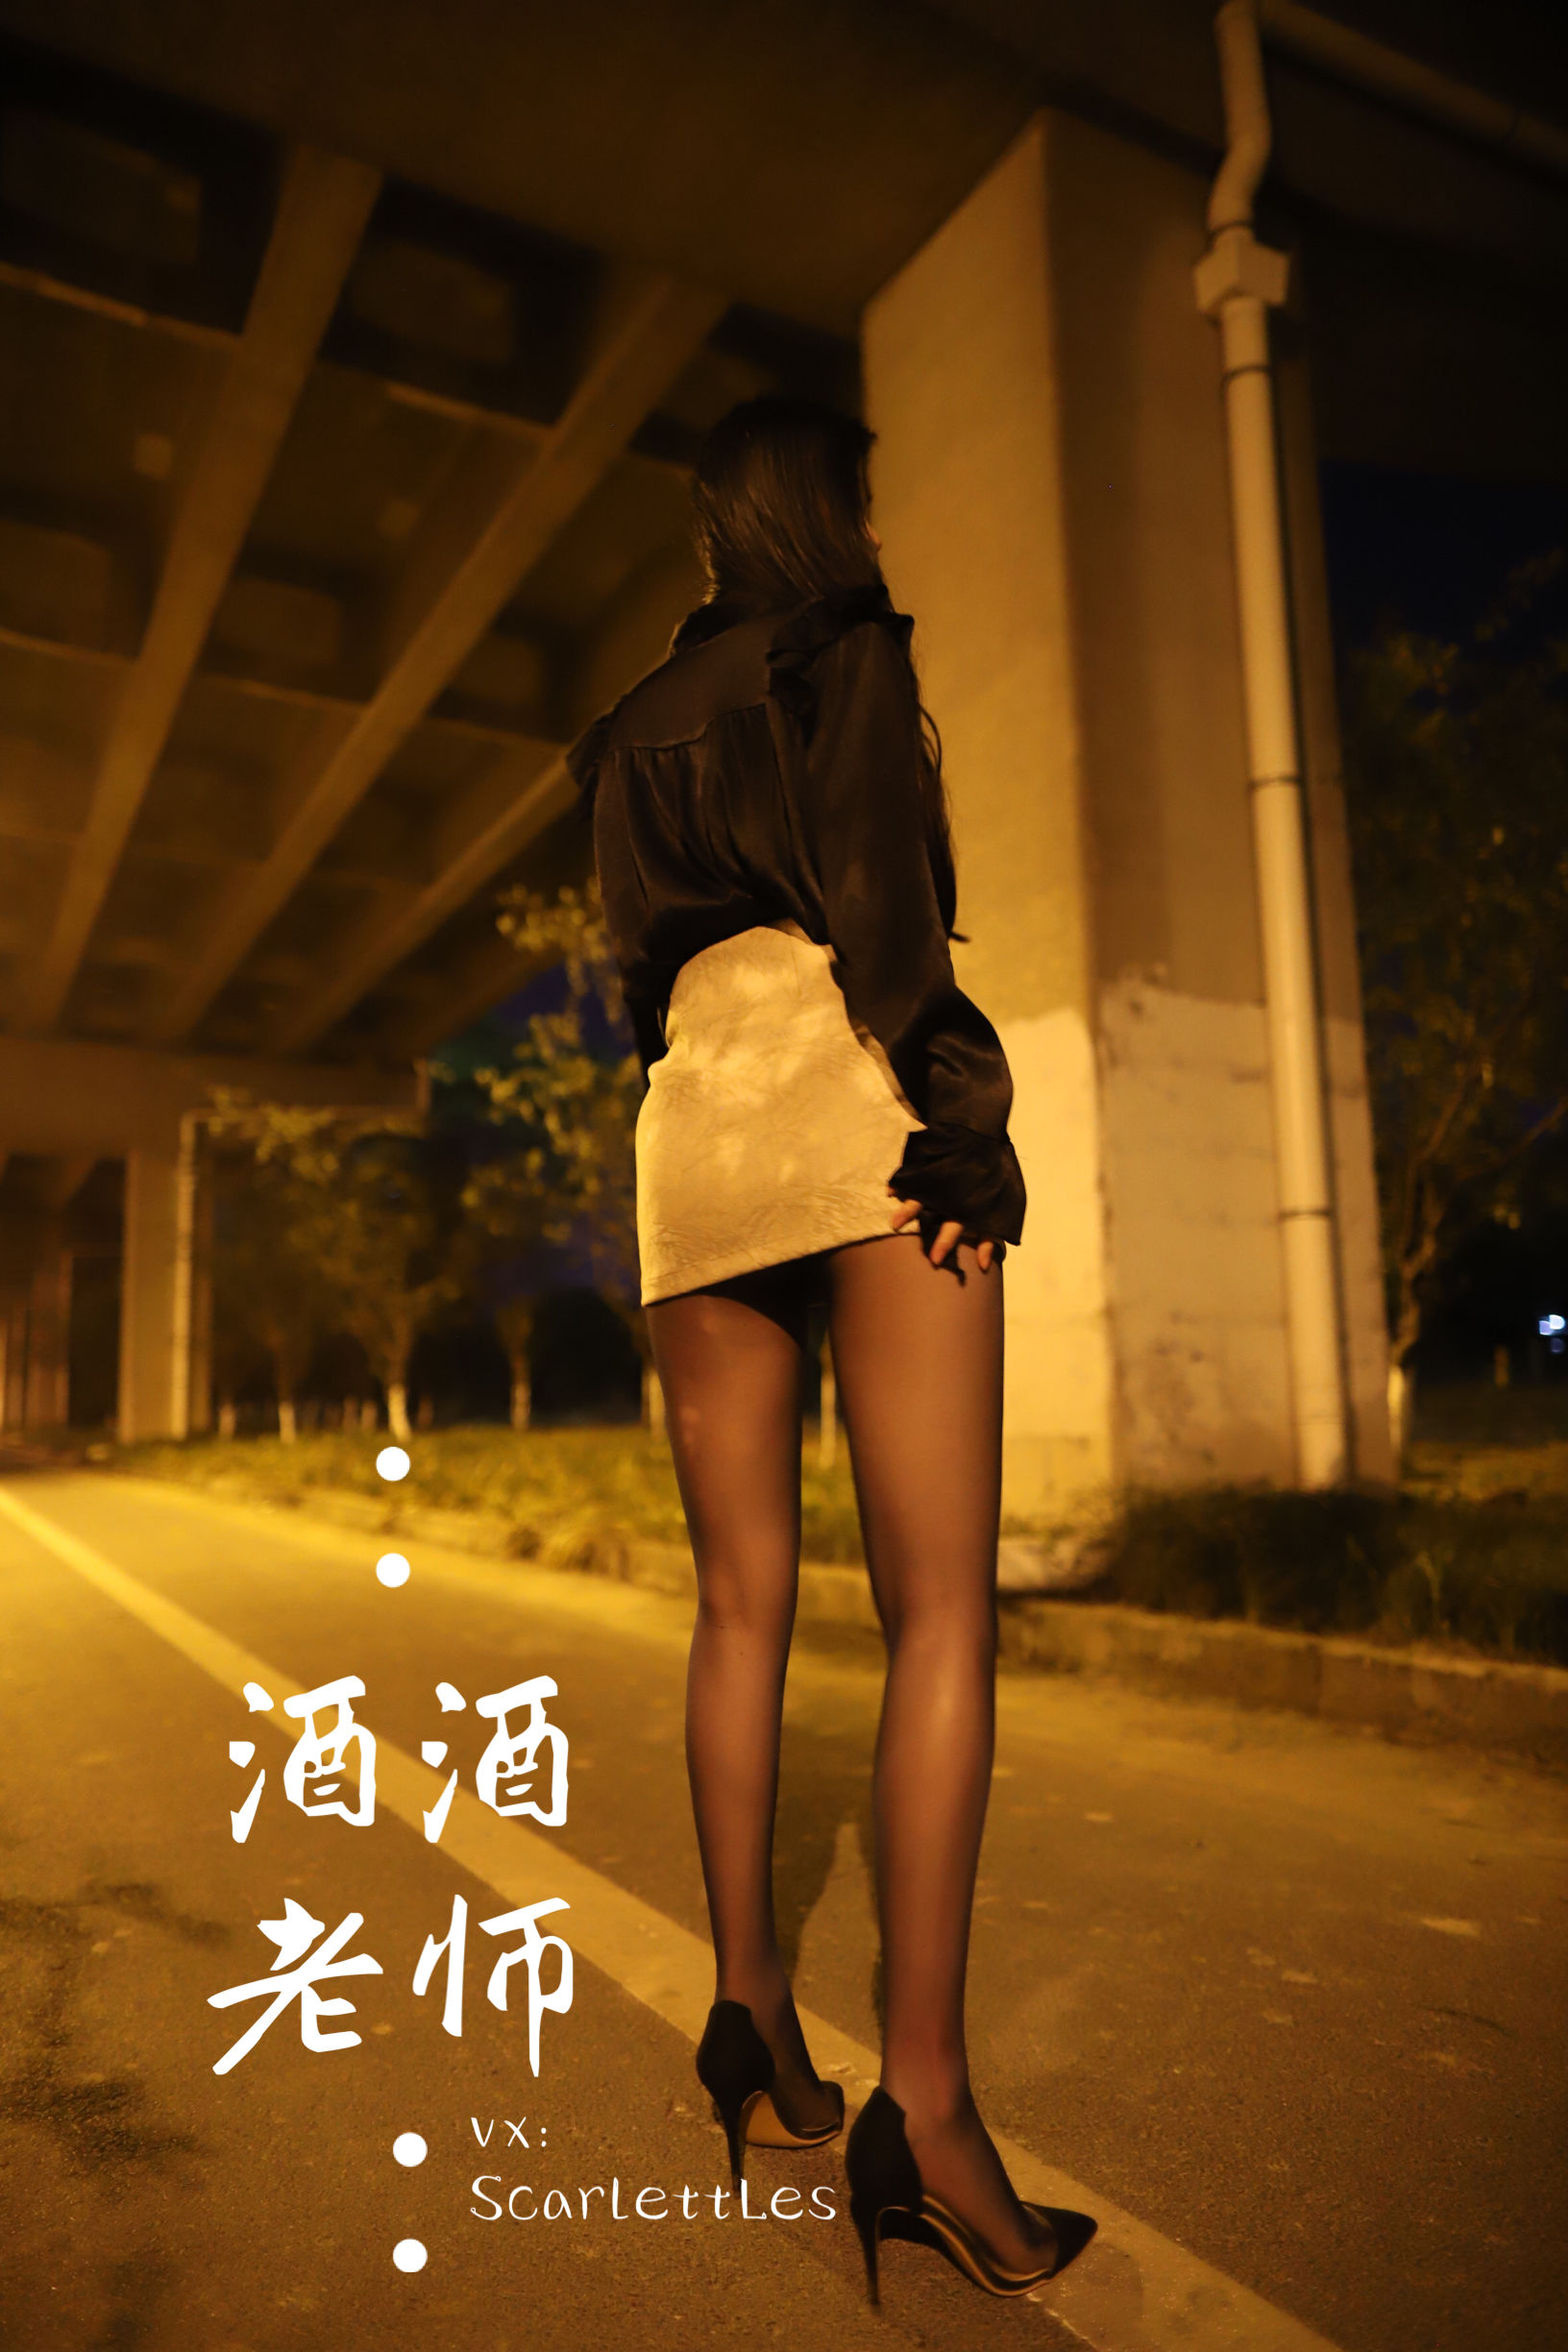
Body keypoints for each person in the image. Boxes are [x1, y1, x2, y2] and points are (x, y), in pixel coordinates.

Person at [569, 394, 1091, 2302]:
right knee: (940, 1611)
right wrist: (964, 1101)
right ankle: (926, 2120)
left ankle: (752, 2024)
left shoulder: (627, 728)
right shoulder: (842, 648)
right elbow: (882, 903)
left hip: (691, 1131)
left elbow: (640, 974)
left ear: (718, 523)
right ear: (826, 508)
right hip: (845, 1090)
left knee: (738, 1602)